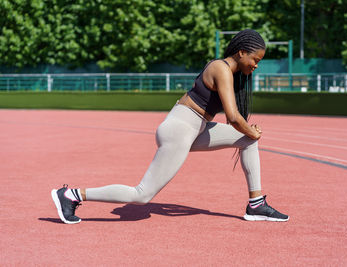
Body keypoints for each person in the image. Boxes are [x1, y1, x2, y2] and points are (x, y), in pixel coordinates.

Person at [51, 29, 289, 224]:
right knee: (142, 195)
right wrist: (251, 129)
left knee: (247, 140)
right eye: (255, 60)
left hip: (196, 127)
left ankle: (256, 204)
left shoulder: (229, 72)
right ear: (241, 52)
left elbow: (237, 123)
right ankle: (71, 195)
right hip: (180, 128)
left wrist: (249, 133)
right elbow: (233, 117)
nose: (256, 65)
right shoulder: (221, 69)